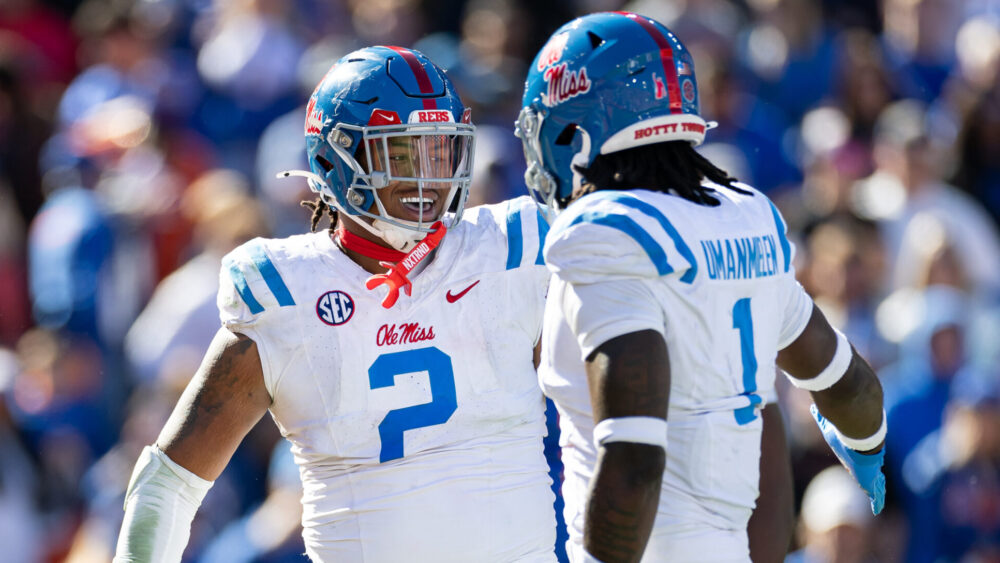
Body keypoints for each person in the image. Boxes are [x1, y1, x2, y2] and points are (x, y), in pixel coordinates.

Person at [114, 46, 556, 562]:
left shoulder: (512, 252)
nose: (429, 179)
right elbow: (170, 483)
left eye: (439, 151)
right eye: (401, 155)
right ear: (335, 159)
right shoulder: (287, 293)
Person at [516, 12, 887, 563]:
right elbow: (849, 388)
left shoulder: (602, 232)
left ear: (577, 128)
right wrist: (867, 442)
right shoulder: (747, 212)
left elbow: (635, 453)